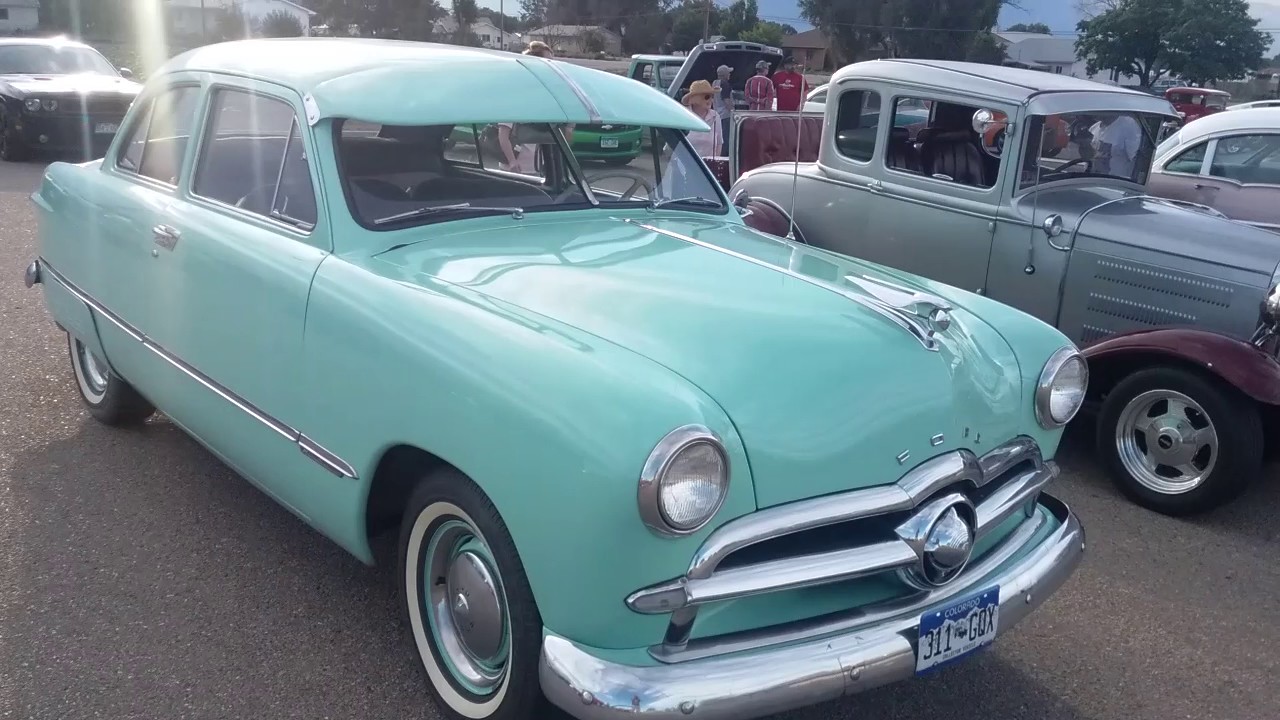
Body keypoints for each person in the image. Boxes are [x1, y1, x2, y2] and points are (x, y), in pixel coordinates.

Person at [498, 41, 574, 173]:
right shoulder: (516, 95)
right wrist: (512, 161)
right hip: (515, 170)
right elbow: (503, 134)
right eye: (547, 62)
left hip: (537, 168)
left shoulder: (546, 96)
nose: (551, 66)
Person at [682, 79, 722, 157]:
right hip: (684, 166)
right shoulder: (684, 115)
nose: (711, 100)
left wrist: (714, 165)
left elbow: (719, 144)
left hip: (706, 167)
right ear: (694, 99)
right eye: (707, 97)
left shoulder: (715, 116)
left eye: (712, 96)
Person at [1095, 113, 1142, 178]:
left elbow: (1138, 159)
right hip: (1093, 180)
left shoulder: (1128, 125)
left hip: (1118, 182)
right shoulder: (1094, 129)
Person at [711, 64, 734, 154]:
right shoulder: (725, 84)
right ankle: (725, 156)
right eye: (728, 73)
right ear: (724, 74)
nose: (729, 74)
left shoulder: (714, 83)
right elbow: (726, 100)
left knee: (719, 137)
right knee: (726, 138)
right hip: (725, 115)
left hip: (717, 114)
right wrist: (733, 112)